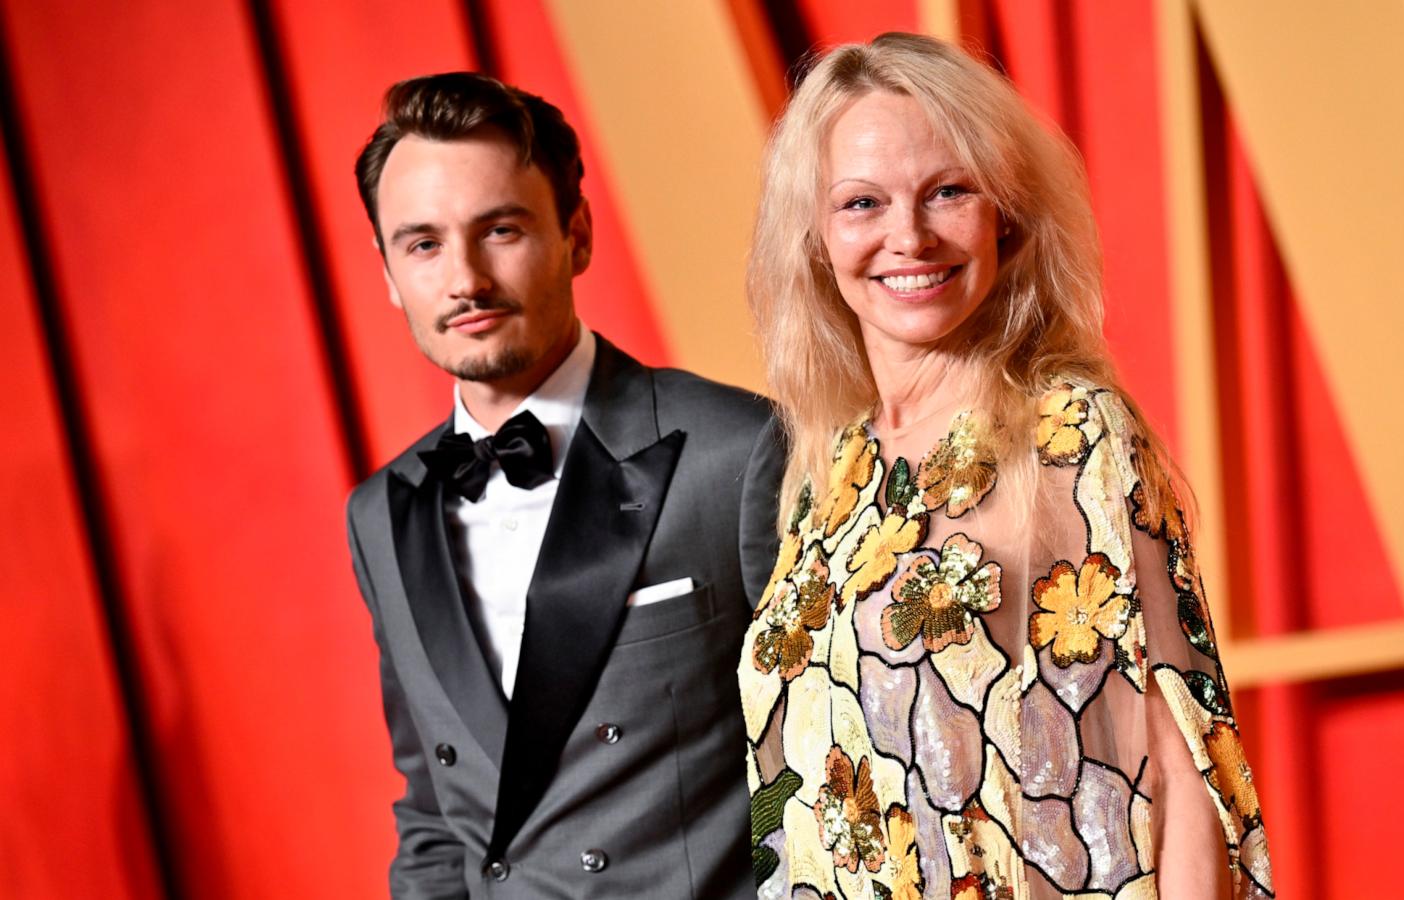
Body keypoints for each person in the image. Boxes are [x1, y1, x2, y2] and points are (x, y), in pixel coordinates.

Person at [737, 33, 1273, 899]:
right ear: (815, 236)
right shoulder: (831, 467)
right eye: (862, 203)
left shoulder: (1069, 433)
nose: (908, 236)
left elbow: (1187, 770)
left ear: (1007, 214)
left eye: (948, 191)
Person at [344, 72, 782, 899]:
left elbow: (819, 768)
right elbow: (436, 819)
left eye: (499, 230)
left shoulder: (737, 451)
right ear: (388, 271)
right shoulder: (380, 512)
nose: (463, 278)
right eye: (423, 244)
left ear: (575, 234)